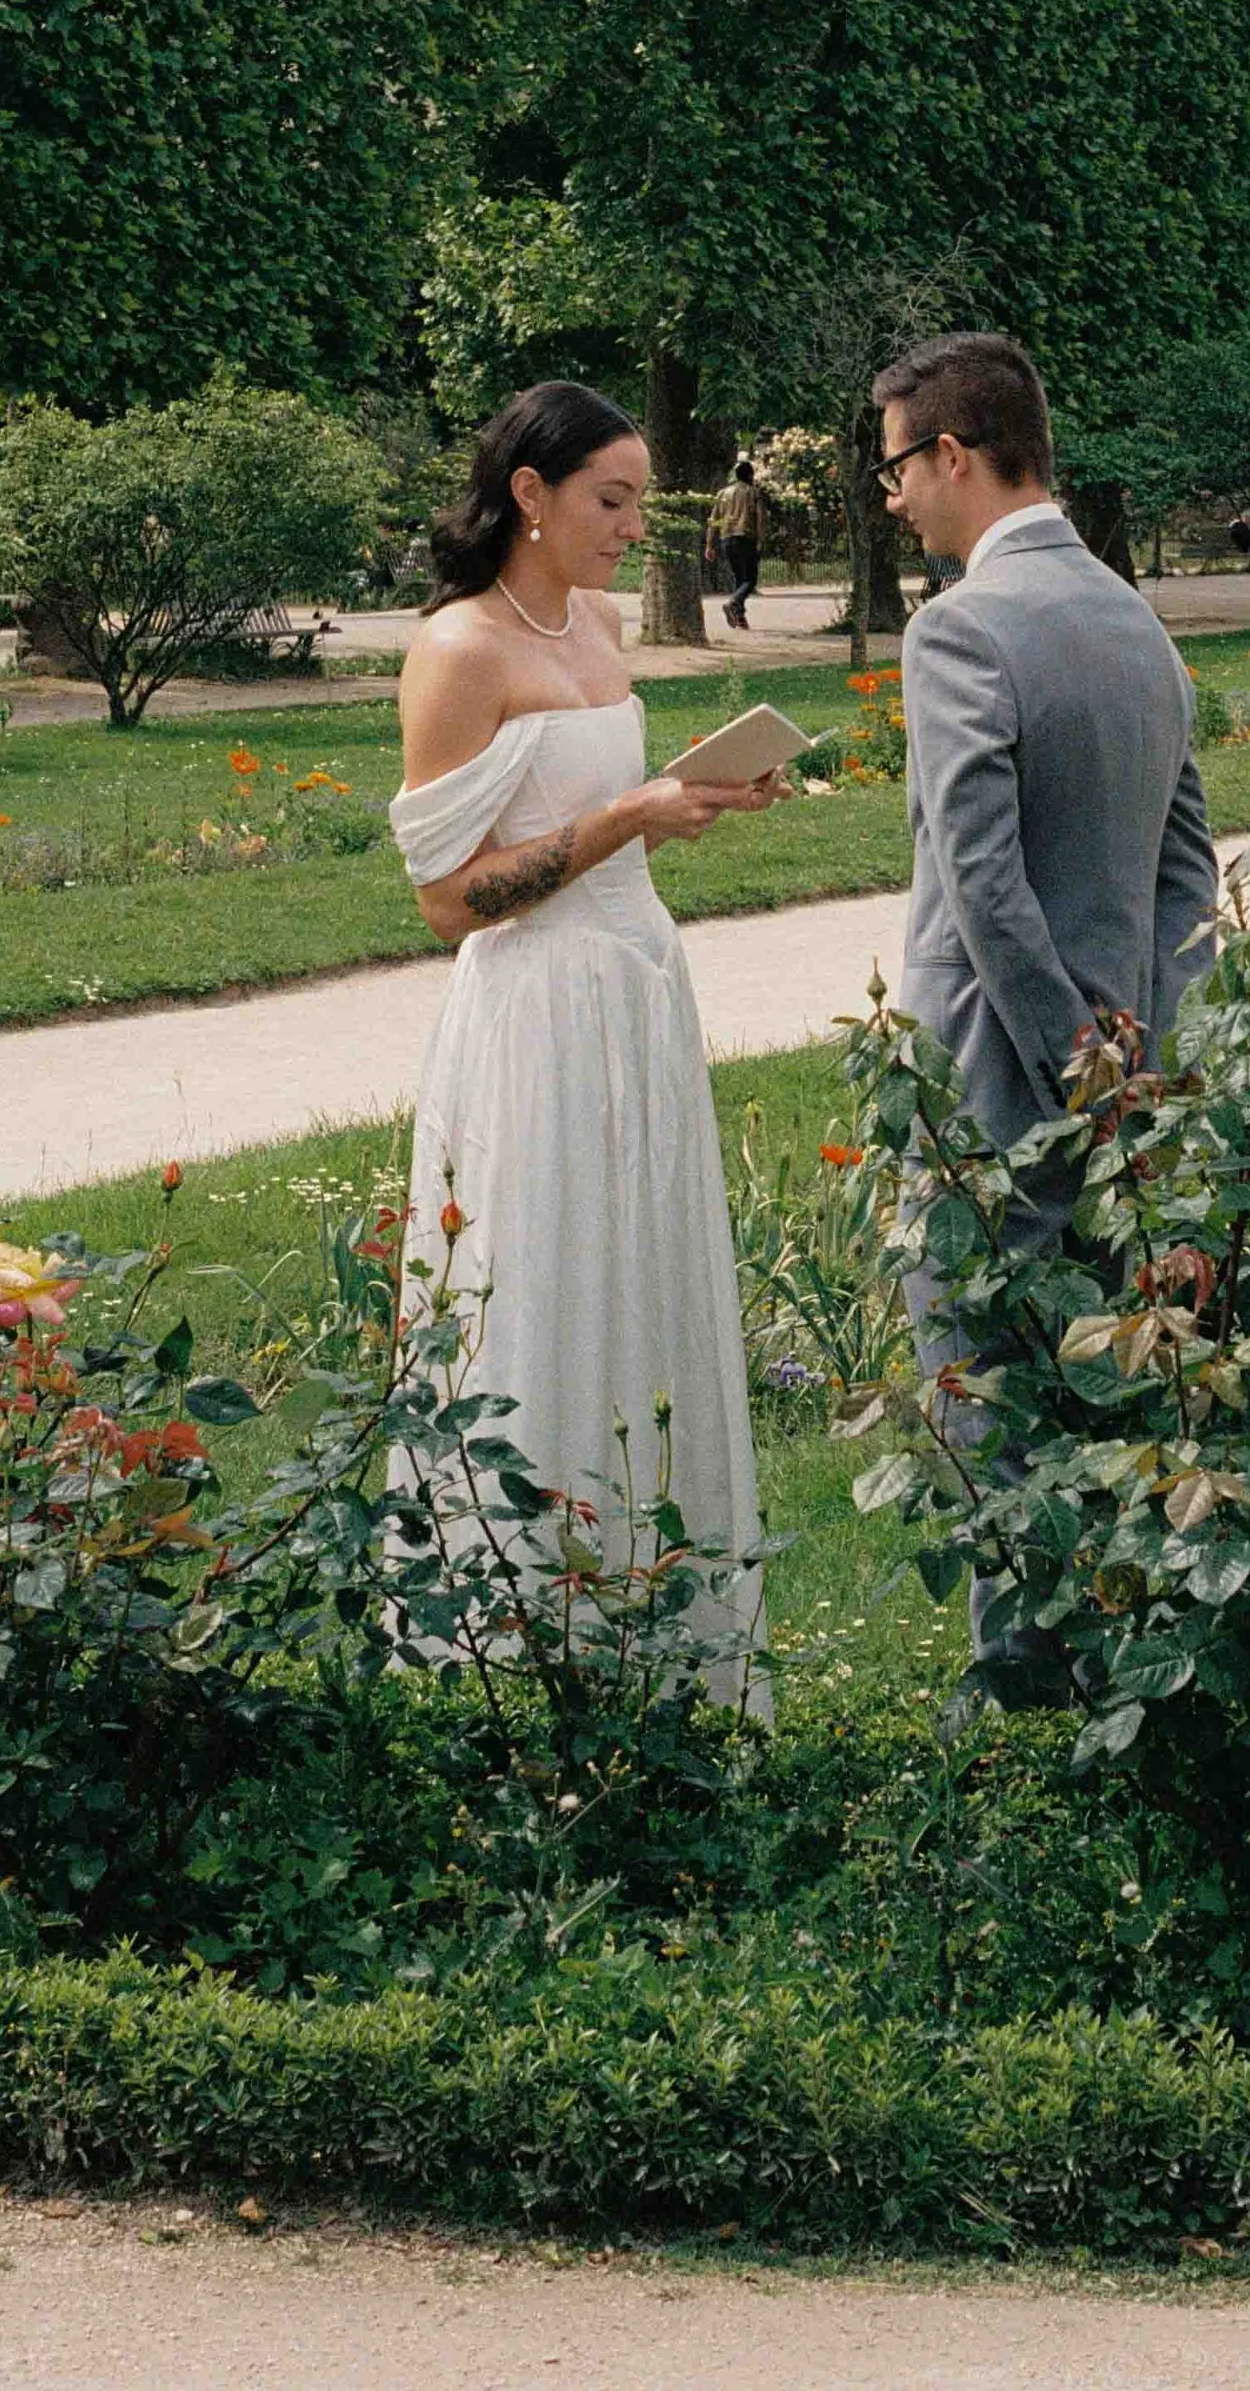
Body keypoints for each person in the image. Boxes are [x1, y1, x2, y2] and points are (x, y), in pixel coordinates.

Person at [390, 382, 779, 1702]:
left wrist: (698, 797)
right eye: (611, 500)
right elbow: (449, 902)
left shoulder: (600, 622)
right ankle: (515, 1651)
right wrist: (628, 820)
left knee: (641, 1275)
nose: (635, 527)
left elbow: (614, 806)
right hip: (535, 1013)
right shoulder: (459, 651)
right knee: (539, 1288)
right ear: (530, 495)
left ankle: (655, 1643)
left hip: (635, 989)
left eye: (642, 500)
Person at [873, 330, 1219, 1692]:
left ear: (954, 453)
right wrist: (1149, 1055)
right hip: (1131, 1085)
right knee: (1099, 1385)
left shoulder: (959, 628)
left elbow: (979, 883)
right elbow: (1188, 871)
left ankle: (1027, 1710)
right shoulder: (1139, 620)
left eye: (896, 462)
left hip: (991, 1085)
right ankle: (1120, 1680)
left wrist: (1076, 1058)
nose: (890, 493)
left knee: (984, 1395)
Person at [705, 454, 765, 630]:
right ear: (750, 475)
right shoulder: (754, 493)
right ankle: (733, 603)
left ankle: (740, 617)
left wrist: (709, 544)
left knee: (740, 578)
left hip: (726, 538)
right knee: (750, 580)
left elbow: (713, 520)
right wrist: (761, 541)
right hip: (746, 537)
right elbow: (760, 520)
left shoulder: (722, 493)